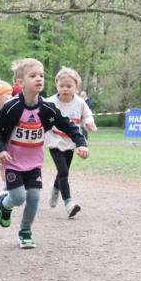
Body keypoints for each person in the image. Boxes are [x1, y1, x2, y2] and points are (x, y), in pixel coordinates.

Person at [0, 58, 89, 248]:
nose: (39, 79)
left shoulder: (47, 108)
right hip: (12, 161)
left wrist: (80, 143)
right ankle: (5, 203)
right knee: (18, 197)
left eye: (42, 75)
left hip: (34, 163)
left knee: (34, 198)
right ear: (20, 83)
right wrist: (0, 150)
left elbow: (68, 125)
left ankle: (25, 231)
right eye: (33, 75)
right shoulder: (11, 107)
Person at [45, 67, 97, 218]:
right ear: (56, 85)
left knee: (62, 172)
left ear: (76, 87)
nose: (65, 89)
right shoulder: (49, 102)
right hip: (55, 141)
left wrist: (89, 123)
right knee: (63, 172)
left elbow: (87, 116)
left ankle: (55, 188)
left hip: (71, 142)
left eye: (69, 86)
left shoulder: (80, 103)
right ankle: (69, 204)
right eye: (61, 86)